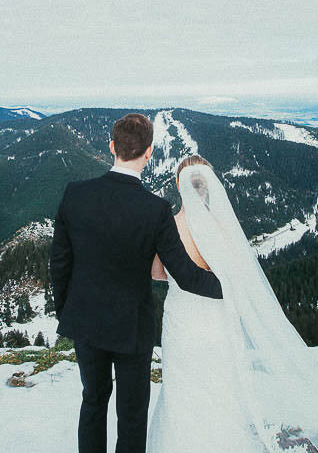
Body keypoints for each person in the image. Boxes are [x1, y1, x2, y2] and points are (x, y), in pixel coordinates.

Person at [146, 155, 318, 453]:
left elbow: (157, 272)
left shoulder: (169, 227)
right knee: (219, 385)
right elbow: (238, 275)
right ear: (208, 187)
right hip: (216, 320)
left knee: (181, 387)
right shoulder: (223, 229)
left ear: (178, 185)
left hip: (182, 319)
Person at [50, 114, 223, 453]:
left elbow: (60, 264)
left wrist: (66, 311)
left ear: (112, 146)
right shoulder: (155, 210)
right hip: (133, 328)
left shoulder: (75, 195)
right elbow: (186, 275)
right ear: (149, 153)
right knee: (131, 416)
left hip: (86, 321)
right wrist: (232, 288)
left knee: (93, 402)